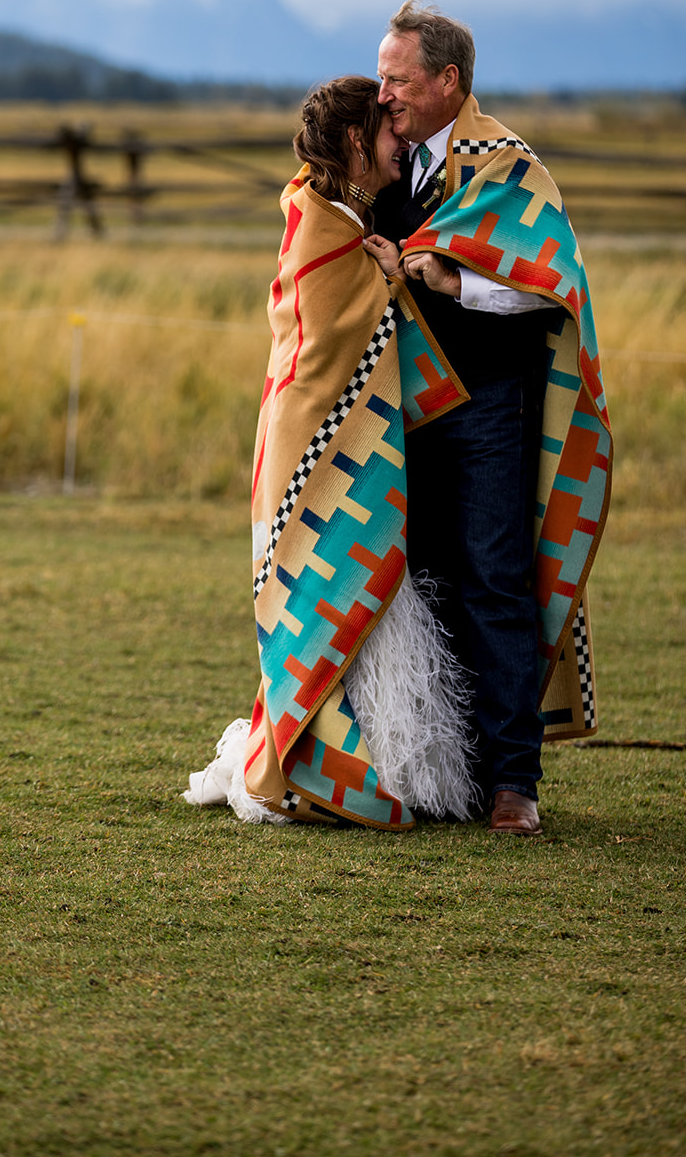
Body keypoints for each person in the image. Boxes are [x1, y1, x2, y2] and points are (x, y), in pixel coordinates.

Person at [186, 76, 480, 830]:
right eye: (384, 127)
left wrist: (384, 274)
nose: (399, 139)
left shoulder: (336, 214)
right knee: (331, 595)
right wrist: (393, 278)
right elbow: (331, 337)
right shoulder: (323, 224)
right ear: (354, 142)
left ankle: (386, 762)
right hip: (314, 444)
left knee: (356, 599)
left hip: (316, 439)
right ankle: (325, 765)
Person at [367, 1, 613, 835]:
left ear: (448, 81)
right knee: (417, 576)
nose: (384, 92)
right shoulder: (378, 162)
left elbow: (550, 282)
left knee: (493, 579)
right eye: (380, 75)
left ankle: (513, 783)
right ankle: (445, 773)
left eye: (398, 78)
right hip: (396, 407)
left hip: (487, 403)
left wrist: (452, 282)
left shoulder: (507, 166)